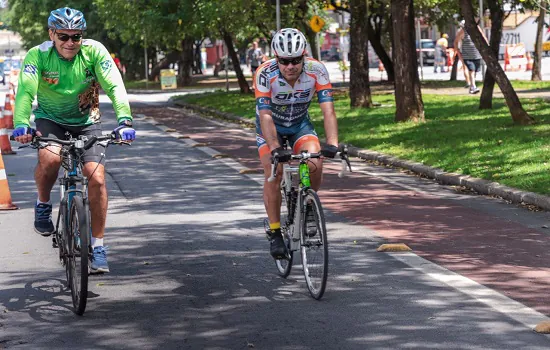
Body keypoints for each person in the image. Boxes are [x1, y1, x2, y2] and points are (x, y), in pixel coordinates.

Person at [11, 7, 136, 273]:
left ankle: (98, 245)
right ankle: (43, 203)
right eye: (64, 36)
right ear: (52, 34)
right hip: (50, 119)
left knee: (97, 177)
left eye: (76, 36)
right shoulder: (38, 55)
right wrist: (22, 123)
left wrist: (125, 120)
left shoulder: (94, 52)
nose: (70, 42)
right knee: (51, 158)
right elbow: (25, 91)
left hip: (87, 121)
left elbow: (114, 84)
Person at [254, 28, 339, 259]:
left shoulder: (317, 70)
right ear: (276, 58)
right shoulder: (264, 73)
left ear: (304, 56)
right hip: (271, 128)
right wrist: (275, 149)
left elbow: (328, 110)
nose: (290, 66)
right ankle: (274, 232)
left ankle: (308, 206)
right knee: (274, 171)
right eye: (284, 61)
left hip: (299, 124)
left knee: (315, 161)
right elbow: (265, 116)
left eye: (295, 61)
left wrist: (332, 143)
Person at [454, 19, 488, 94]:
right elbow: (456, 42)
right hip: (467, 55)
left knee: (474, 71)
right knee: (471, 70)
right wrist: (459, 53)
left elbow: (483, 37)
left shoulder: (477, 29)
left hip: (477, 55)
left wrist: (487, 47)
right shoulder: (463, 31)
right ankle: (473, 86)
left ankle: (471, 86)